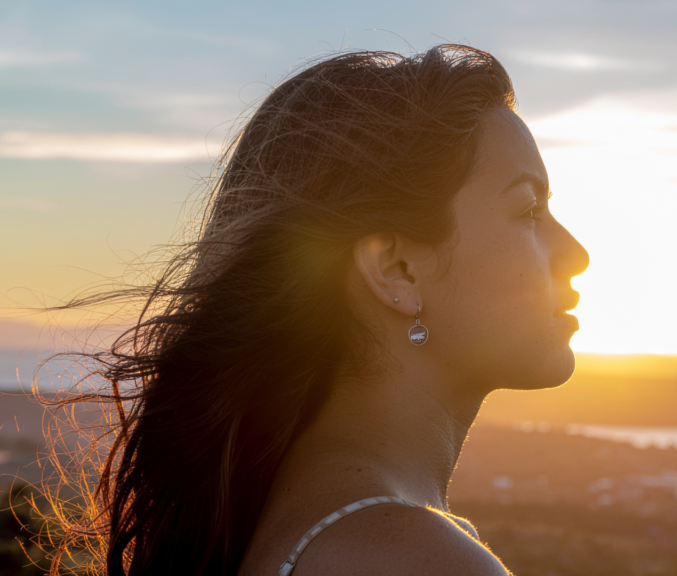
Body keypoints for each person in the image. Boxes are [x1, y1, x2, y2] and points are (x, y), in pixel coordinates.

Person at [44, 44, 589, 576]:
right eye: (528, 210)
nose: (576, 254)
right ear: (396, 270)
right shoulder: (412, 558)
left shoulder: (289, 520)